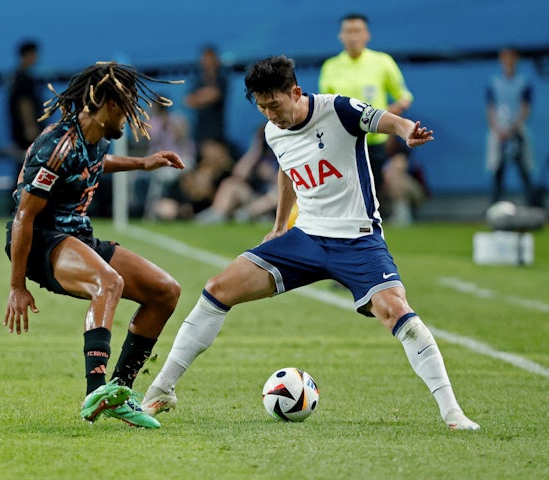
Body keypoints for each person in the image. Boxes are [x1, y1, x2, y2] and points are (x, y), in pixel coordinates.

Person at [141, 55, 480, 431]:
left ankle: (453, 414)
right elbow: (288, 169)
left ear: (296, 92)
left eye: (275, 105)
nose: (270, 114)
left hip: (357, 240)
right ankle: (162, 388)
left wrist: (405, 131)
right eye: (262, 106)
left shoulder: (337, 109)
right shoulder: (273, 131)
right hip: (305, 237)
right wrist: (280, 225)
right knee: (217, 289)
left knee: (400, 315)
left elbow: (383, 118)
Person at [3, 62, 186, 429]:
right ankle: (95, 391)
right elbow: (24, 217)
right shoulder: (56, 145)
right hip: (43, 240)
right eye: (131, 107)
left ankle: (119, 391)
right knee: (109, 282)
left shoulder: (94, 138)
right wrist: (17, 286)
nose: (134, 117)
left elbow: (96, 163)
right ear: (112, 106)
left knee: (165, 291)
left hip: (78, 235)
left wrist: (143, 164)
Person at [318, 13, 413, 205]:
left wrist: (389, 115)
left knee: (371, 193)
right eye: (348, 31)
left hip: (374, 140)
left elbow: (404, 96)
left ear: (366, 35)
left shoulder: (382, 62)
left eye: (357, 31)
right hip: (342, 140)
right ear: (340, 36)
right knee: (343, 192)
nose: (353, 36)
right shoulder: (331, 66)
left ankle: (370, 231)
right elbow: (323, 104)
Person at [194, 123, 279, 224]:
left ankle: (249, 214)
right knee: (230, 184)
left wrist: (271, 176)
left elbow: (290, 183)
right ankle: (216, 214)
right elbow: (239, 174)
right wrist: (255, 149)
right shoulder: (261, 155)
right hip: (258, 196)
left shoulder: (286, 155)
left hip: (278, 199)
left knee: (277, 194)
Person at [485, 46, 534, 206]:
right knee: (497, 171)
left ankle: (531, 206)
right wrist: (498, 129)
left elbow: (525, 108)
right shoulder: (494, 82)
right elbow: (490, 108)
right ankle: (494, 207)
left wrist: (513, 129)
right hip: (498, 132)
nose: (507, 61)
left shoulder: (523, 82)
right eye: (504, 57)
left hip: (517, 131)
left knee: (524, 170)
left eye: (510, 57)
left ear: (516, 59)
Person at [6, 40, 44, 183]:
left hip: (19, 133)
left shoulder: (15, 76)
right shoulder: (24, 78)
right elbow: (24, 103)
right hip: (26, 134)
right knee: (28, 168)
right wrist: (30, 126)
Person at [184, 45, 228, 151]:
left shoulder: (221, 80)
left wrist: (199, 96)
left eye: (210, 59)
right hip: (200, 131)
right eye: (205, 59)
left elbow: (214, 95)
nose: (208, 62)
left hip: (216, 132)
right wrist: (205, 95)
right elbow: (189, 101)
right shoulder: (197, 81)